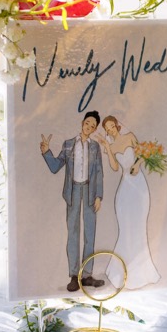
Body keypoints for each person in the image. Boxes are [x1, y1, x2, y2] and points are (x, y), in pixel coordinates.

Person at [40, 111, 105, 292]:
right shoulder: (69, 145)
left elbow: (99, 172)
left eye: (93, 126)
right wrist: (46, 152)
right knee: (73, 233)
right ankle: (74, 276)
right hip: (73, 191)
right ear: (82, 122)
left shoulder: (95, 147)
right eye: (88, 123)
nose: (89, 127)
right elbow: (55, 166)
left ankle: (87, 275)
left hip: (90, 191)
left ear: (95, 129)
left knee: (90, 232)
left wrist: (99, 195)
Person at [96, 115, 160, 289]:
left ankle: (141, 271)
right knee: (125, 227)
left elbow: (142, 153)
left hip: (139, 186)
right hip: (124, 188)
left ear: (117, 125)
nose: (110, 130)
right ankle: (122, 270)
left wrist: (138, 164)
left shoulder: (130, 136)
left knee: (139, 225)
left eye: (112, 126)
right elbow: (115, 167)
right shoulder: (112, 144)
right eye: (107, 129)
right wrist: (108, 148)